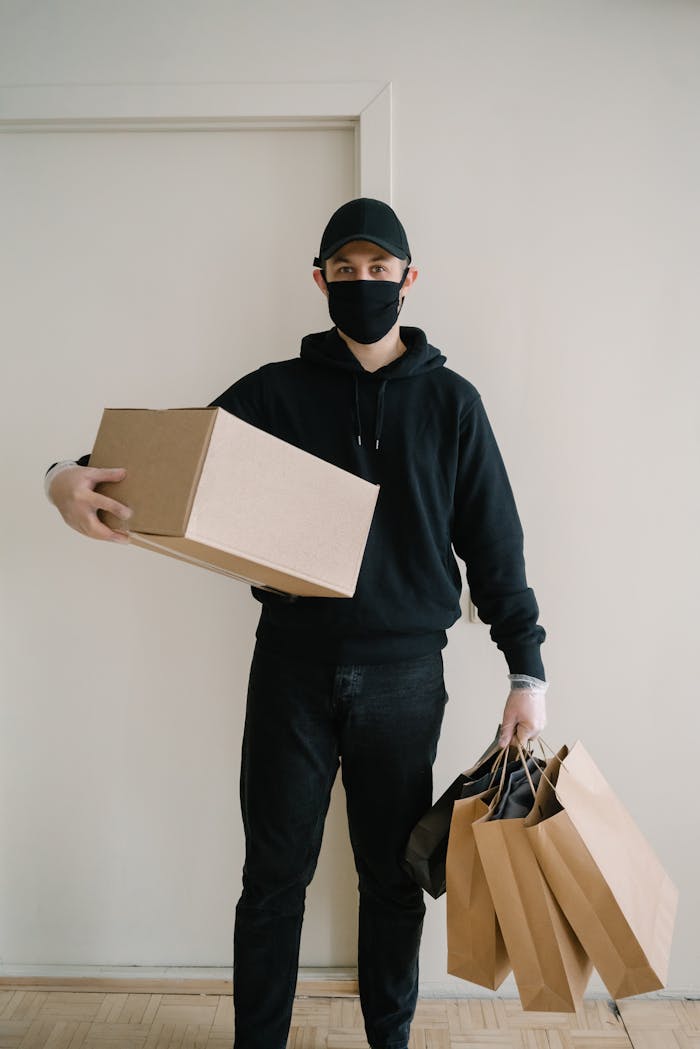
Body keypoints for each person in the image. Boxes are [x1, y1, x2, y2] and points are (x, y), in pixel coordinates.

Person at [44, 197, 548, 1049]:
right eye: (344, 271)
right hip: (291, 668)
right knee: (273, 880)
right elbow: (169, 463)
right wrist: (62, 473)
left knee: (393, 881)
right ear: (319, 281)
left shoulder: (453, 405)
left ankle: (390, 1038)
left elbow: (496, 548)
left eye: (378, 269)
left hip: (404, 680)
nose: (362, 284)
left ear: (408, 279)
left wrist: (526, 673)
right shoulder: (274, 392)